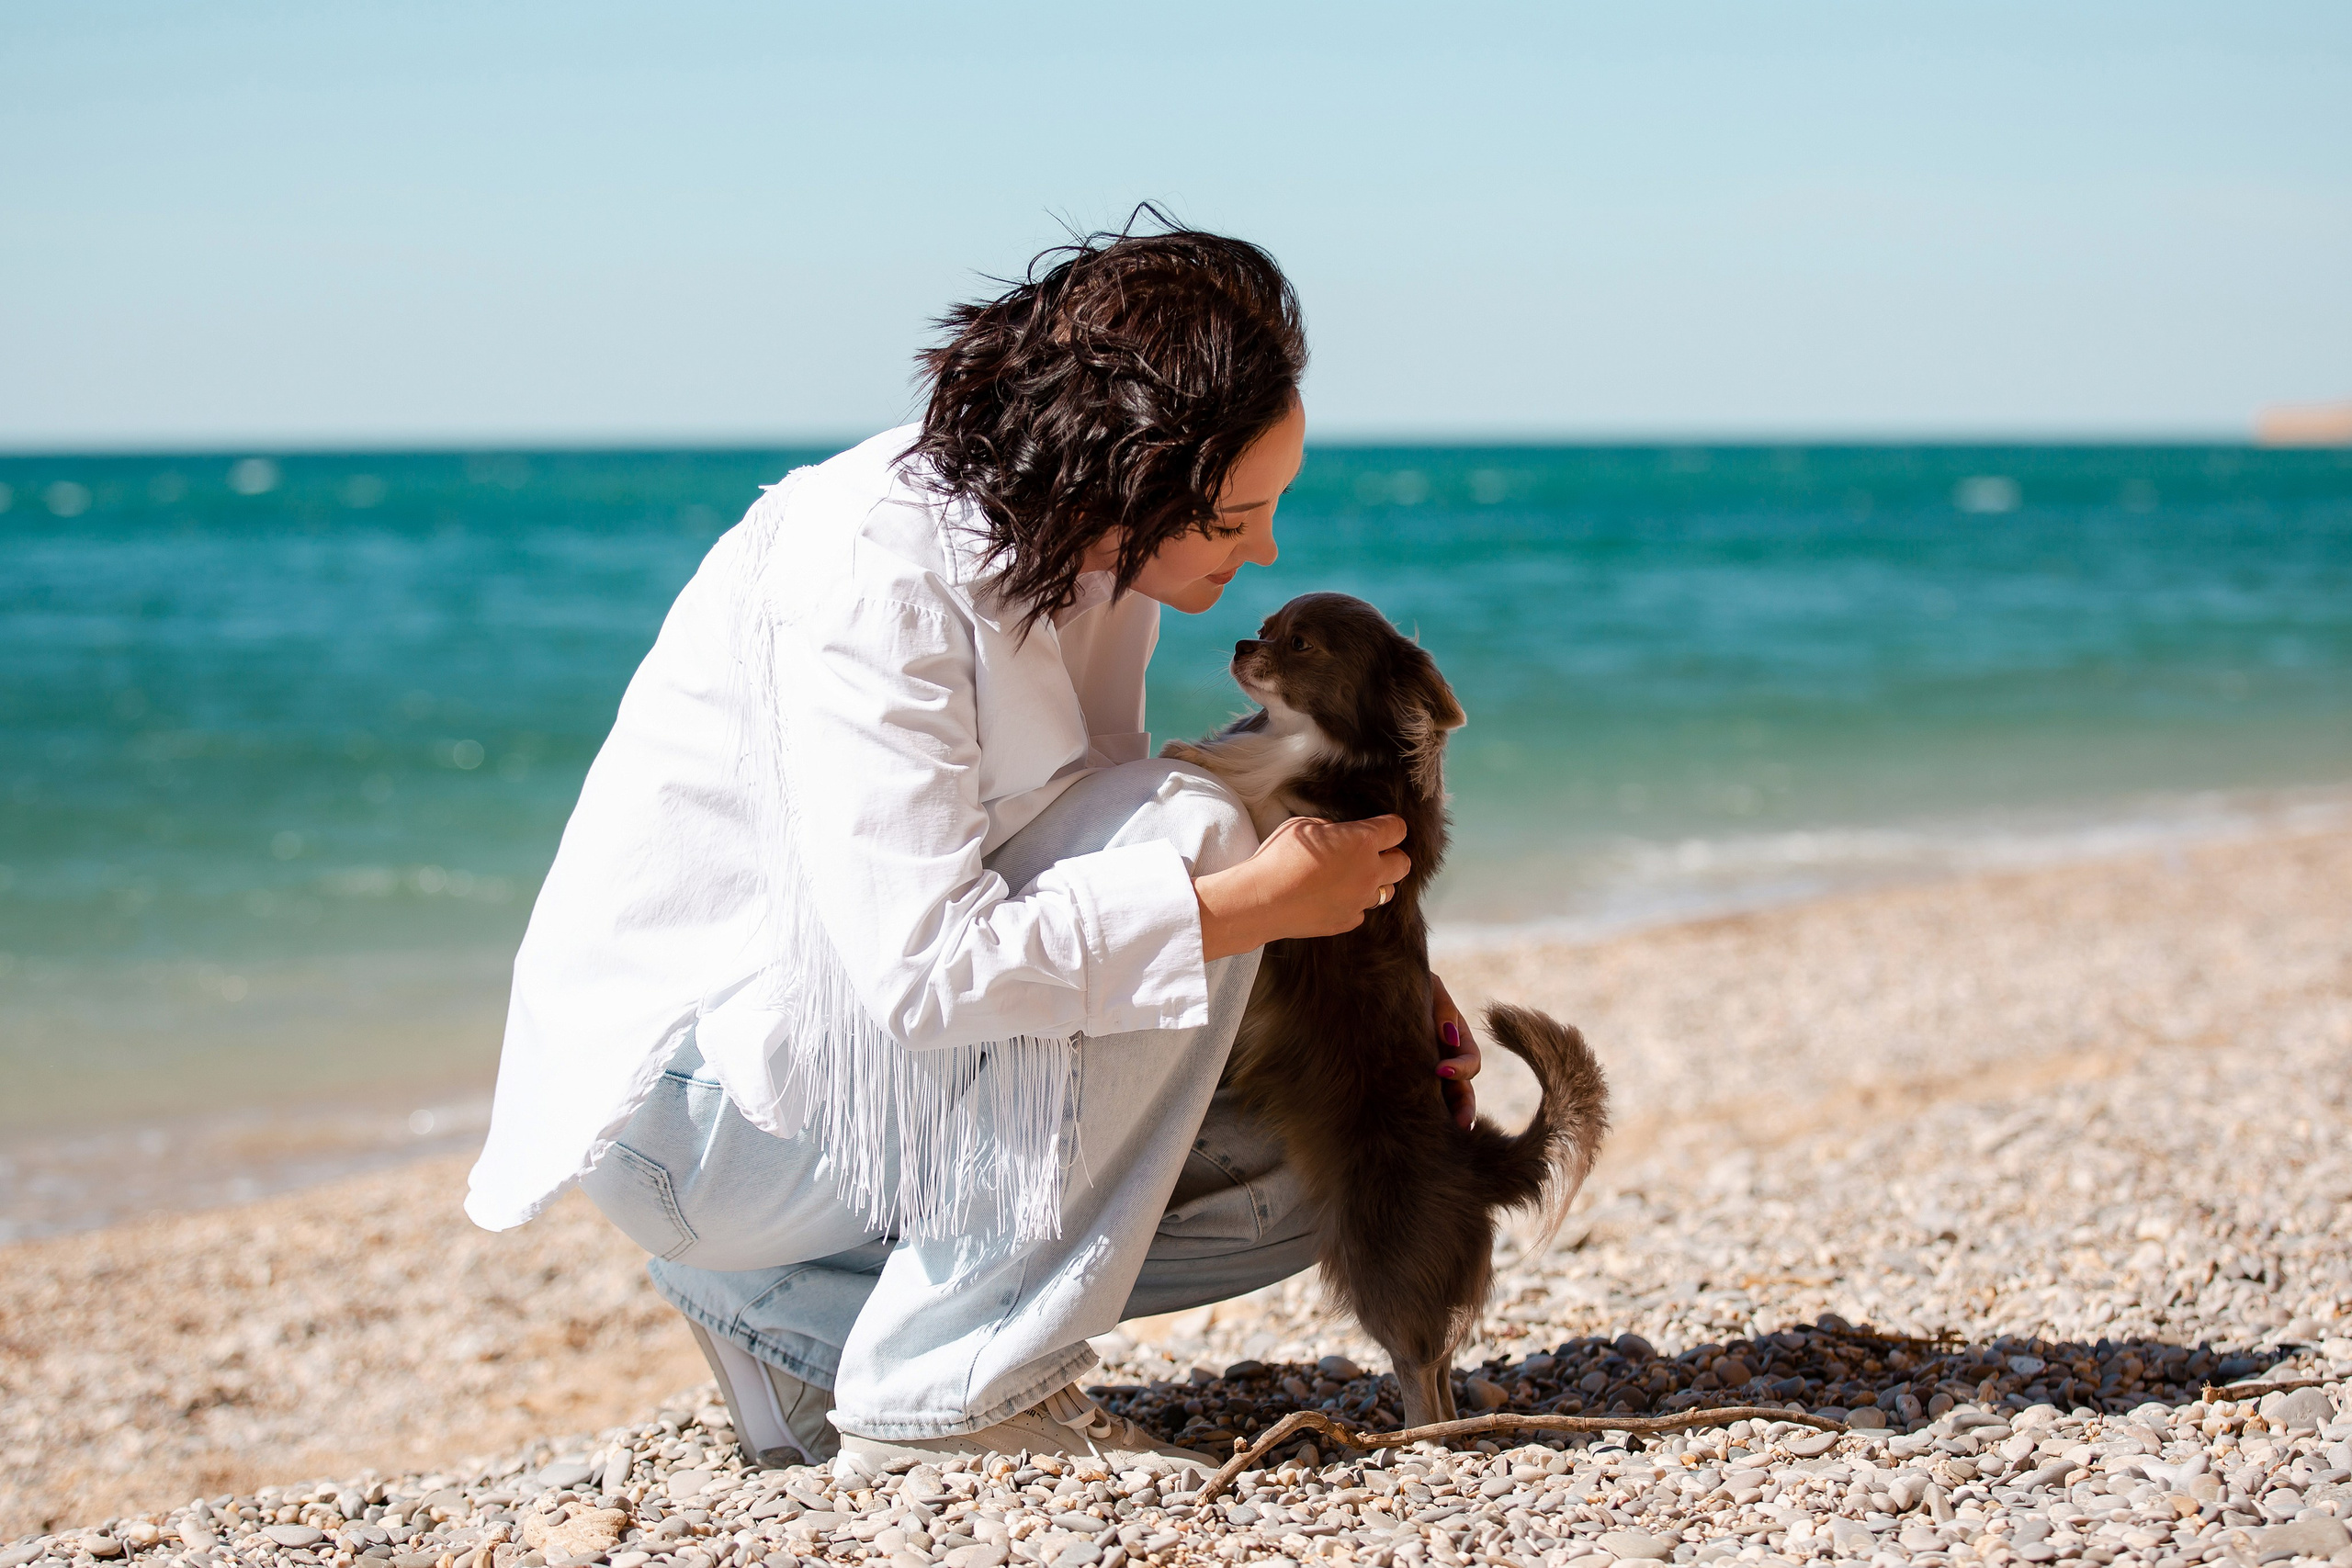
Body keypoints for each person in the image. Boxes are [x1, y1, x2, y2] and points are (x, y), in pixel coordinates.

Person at [464, 223, 1483, 1473]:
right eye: (1238, 514)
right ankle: (947, 1399)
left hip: (848, 1086)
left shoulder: (1085, 552)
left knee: (1311, 1170)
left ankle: (801, 1331)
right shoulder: (874, 571)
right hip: (704, 1117)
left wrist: (1354, 952)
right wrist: (1242, 906)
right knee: (1203, 840)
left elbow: (1079, 831)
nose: (1265, 550)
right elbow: (928, 966)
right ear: (1132, 473)